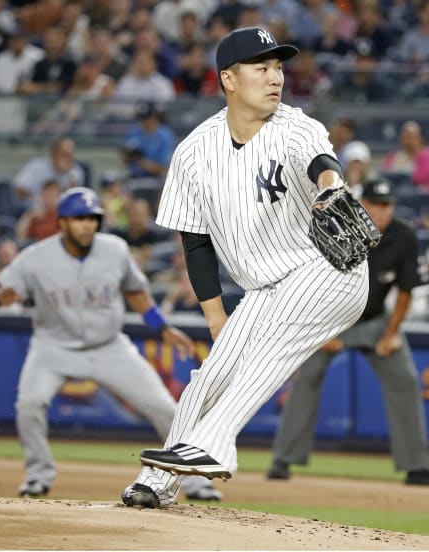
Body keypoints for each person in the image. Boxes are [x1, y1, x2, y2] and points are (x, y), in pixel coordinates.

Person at [122, 27, 370, 509]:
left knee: (267, 353)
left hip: (330, 270)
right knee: (210, 376)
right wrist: (216, 317)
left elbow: (322, 162)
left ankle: (214, 446)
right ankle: (157, 479)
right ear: (229, 79)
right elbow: (195, 243)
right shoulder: (194, 151)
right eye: (262, 67)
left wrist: (329, 183)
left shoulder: (295, 126)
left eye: (278, 67)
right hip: (266, 289)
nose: (276, 77)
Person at [0, 187, 221, 502]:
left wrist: (160, 327)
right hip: (53, 348)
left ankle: (193, 482)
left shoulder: (114, 250)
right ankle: (38, 475)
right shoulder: (35, 258)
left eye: (93, 218)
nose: (88, 225)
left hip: (109, 346)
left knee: (165, 408)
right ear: (63, 222)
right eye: (80, 219)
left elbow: (136, 292)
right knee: (29, 404)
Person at [265, 179, 429, 487]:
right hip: (329, 318)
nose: (381, 210)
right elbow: (311, 286)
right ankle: (282, 459)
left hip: (376, 320)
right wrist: (323, 332)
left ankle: (417, 466)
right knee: (306, 378)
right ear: (362, 204)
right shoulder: (338, 228)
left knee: (405, 379)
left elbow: (406, 292)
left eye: (387, 205)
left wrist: (391, 334)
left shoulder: (403, 235)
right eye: (375, 203)